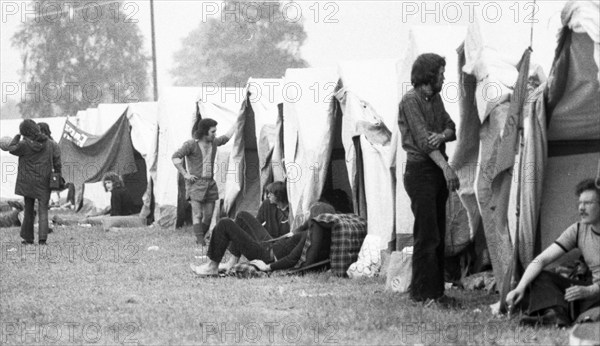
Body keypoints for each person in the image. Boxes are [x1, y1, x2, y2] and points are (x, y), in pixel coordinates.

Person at [397, 53, 460, 304]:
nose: (444, 77)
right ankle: (422, 294)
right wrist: (446, 168)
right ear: (429, 75)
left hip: (434, 172)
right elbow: (423, 142)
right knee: (427, 234)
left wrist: (442, 136)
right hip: (420, 172)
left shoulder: (435, 99)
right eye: (441, 73)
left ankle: (436, 293)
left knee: (437, 233)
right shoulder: (410, 101)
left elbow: (451, 128)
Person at [506, 179, 600, 327]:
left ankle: (575, 315)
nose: (581, 208)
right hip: (591, 290)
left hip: (595, 292)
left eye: (588, 203)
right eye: (579, 203)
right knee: (539, 275)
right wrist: (520, 287)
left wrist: (591, 290)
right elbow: (541, 260)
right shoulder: (579, 230)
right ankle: (555, 316)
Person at [190, 202, 335, 277]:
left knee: (224, 223)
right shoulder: (316, 232)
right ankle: (231, 262)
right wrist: (292, 233)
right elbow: (299, 233)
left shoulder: (309, 236)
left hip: (266, 255)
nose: (307, 213)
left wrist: (268, 267)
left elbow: (292, 259)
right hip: (273, 244)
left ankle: (212, 267)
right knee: (242, 216)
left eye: (310, 212)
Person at [172, 118, 235, 246]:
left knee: (208, 215)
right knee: (198, 214)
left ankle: (200, 237)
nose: (215, 134)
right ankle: (201, 243)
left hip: (210, 184)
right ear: (204, 132)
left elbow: (227, 137)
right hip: (195, 184)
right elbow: (175, 157)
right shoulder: (190, 145)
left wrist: (239, 120)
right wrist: (185, 174)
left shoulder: (215, 142)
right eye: (213, 132)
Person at [3, 119, 60, 245]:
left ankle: (28, 239)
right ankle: (42, 239)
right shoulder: (51, 144)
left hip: (28, 182)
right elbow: (57, 161)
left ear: (24, 132)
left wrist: (17, 136)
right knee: (43, 209)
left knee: (28, 209)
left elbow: (11, 149)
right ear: (36, 128)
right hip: (44, 182)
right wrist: (57, 175)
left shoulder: (23, 144)